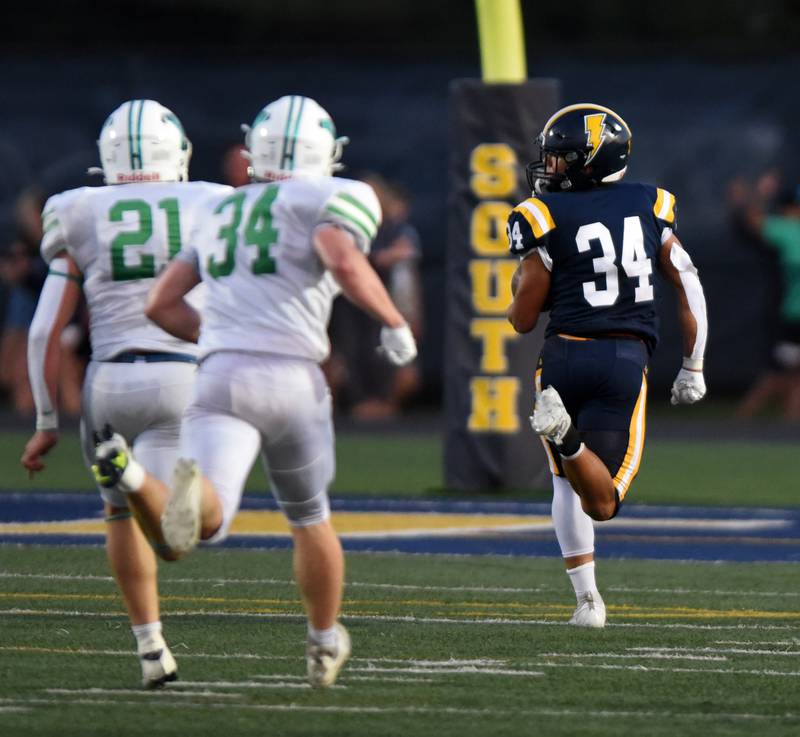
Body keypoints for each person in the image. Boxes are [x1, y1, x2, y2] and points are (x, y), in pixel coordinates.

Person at [88, 95, 418, 687]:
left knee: (208, 519)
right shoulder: (334, 196)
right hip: (293, 376)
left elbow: (160, 302)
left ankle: (135, 477)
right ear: (327, 151)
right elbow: (341, 258)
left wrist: (212, 334)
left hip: (218, 376)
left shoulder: (222, 209)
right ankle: (321, 644)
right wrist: (393, 321)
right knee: (311, 516)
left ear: (255, 149)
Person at [20, 99, 231, 687]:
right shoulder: (216, 201)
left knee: (117, 516)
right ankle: (135, 475)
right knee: (188, 531)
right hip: (183, 373)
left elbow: (43, 329)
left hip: (106, 381)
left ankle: (150, 648)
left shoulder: (76, 208)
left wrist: (44, 420)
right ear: (179, 153)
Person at [506, 103, 708, 627]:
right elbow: (688, 284)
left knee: (563, 484)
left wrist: (523, 280)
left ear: (590, 160)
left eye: (561, 158)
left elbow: (522, 319)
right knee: (604, 501)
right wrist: (694, 364)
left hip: (562, 357)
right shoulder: (651, 203)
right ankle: (569, 438)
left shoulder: (541, 215)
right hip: (622, 357)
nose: (550, 168)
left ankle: (588, 602)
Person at [327, 172, 423, 419]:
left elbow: (405, 256)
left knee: (392, 360)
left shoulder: (397, 230)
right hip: (348, 307)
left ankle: (385, 406)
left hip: (385, 307)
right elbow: (348, 261)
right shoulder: (340, 227)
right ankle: (356, 407)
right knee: (345, 359)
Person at [728, 173, 800, 419]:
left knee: (792, 378)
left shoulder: (788, 230)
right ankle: (738, 425)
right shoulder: (788, 231)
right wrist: (759, 195)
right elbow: (753, 222)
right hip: (793, 317)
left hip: (791, 314)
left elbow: (752, 220)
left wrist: (756, 196)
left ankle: (789, 432)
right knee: (778, 375)